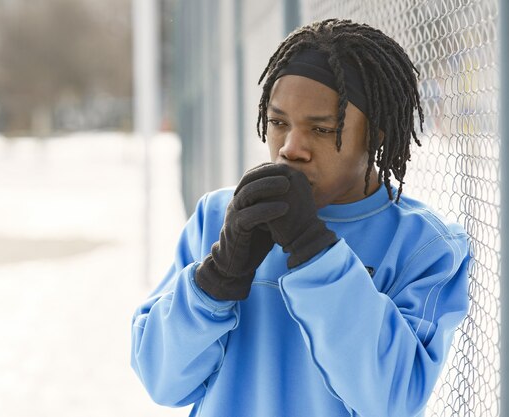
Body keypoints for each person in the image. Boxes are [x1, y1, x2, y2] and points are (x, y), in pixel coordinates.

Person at [131, 18, 470, 417]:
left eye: (322, 129)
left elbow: (392, 399)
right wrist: (218, 278)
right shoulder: (220, 217)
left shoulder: (423, 246)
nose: (291, 149)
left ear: (376, 134)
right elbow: (162, 380)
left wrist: (315, 252)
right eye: (278, 123)